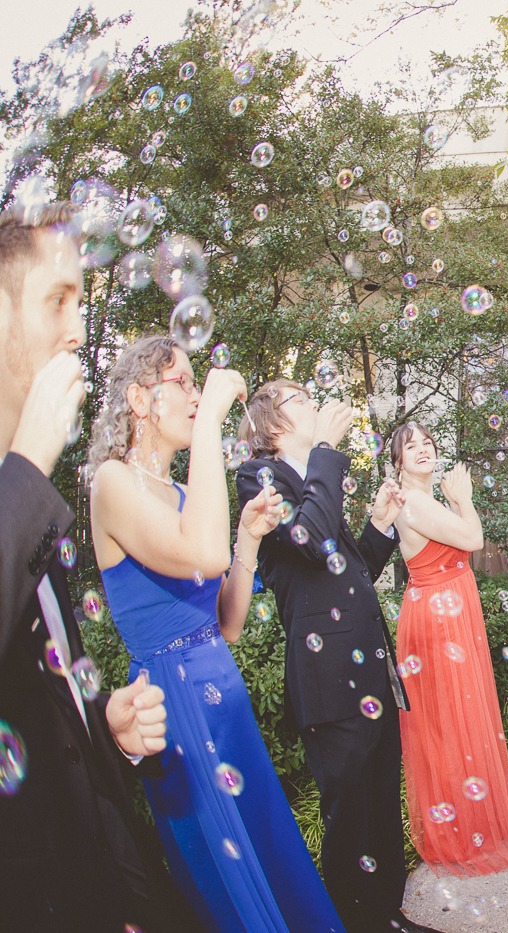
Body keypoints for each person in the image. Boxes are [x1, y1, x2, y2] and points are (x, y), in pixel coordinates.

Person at [89, 336, 345, 933]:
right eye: (181, 382)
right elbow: (196, 549)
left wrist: (248, 540)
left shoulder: (182, 495)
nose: (196, 396)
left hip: (222, 692)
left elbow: (225, 624)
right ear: (138, 398)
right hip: (173, 708)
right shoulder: (112, 483)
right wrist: (210, 434)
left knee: (268, 855)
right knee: (229, 888)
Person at [0, 203, 186, 932]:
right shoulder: (27, 478)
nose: (78, 329)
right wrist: (25, 466)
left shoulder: (30, 485)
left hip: (94, 859)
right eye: (57, 300)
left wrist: (100, 722)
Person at [237, 382, 437, 933]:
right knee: (349, 814)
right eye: (299, 399)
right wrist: (326, 449)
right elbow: (310, 535)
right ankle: (353, 922)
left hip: (370, 670)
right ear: (272, 425)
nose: (314, 402)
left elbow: (352, 578)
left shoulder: (314, 484)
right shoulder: (259, 478)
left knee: (378, 803)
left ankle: (387, 916)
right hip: (328, 680)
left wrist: (378, 525)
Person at [388, 422, 508, 875]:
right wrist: (464, 500)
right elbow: (473, 539)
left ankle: (471, 823)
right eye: (411, 446)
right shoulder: (410, 500)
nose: (423, 450)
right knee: (448, 721)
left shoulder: (426, 500)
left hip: (450, 609)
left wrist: (455, 502)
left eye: (428, 442)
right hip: (437, 616)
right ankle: (457, 833)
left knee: (458, 717)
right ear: (398, 461)